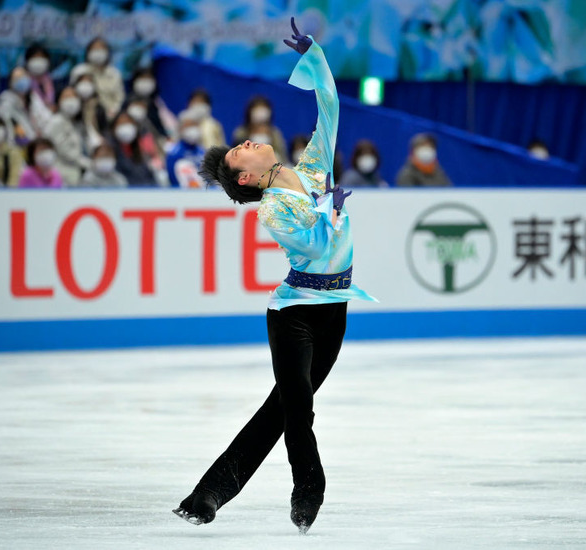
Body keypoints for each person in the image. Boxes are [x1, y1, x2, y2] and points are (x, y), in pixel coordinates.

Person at [174, 18, 375, 535]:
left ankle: (207, 495)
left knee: (279, 411)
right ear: (248, 177)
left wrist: (316, 58)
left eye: (240, 142)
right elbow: (311, 242)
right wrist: (329, 209)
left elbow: (328, 108)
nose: (247, 142)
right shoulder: (272, 210)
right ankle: (309, 488)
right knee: (298, 409)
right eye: (241, 150)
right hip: (293, 316)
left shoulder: (310, 171)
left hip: (334, 311)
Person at [43, 86, 89, 186]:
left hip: (76, 171)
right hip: (62, 172)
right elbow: (65, 151)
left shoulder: (77, 123)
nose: (71, 100)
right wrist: (88, 164)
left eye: (74, 96)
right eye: (66, 97)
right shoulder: (56, 122)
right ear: (59, 102)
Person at [70, 38, 124, 121]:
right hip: (83, 117)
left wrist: (113, 112)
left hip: (109, 117)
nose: (98, 52)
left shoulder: (114, 73)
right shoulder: (79, 71)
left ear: (107, 52)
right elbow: (71, 95)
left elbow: (119, 98)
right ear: (88, 52)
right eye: (95, 49)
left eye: (101, 49)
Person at [0, 66, 50, 146]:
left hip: (39, 143)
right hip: (19, 146)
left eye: (23, 76)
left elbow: (46, 118)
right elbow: (9, 130)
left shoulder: (33, 97)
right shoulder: (6, 103)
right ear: (11, 83)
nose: (21, 80)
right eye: (17, 78)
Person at [110, 110, 161, 187]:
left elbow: (148, 174)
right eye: (122, 123)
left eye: (128, 123)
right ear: (114, 127)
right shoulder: (110, 148)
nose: (125, 127)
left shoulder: (141, 147)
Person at [232, 95, 288, 162]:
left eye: (263, 108)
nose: (260, 112)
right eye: (257, 108)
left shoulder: (275, 133)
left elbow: (283, 157)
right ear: (250, 112)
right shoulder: (241, 132)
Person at [130, 67, 178, 143]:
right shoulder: (129, 101)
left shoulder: (157, 102)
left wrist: (167, 137)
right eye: (142, 78)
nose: (146, 82)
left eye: (149, 78)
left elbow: (163, 125)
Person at [165, 108, 206, 188]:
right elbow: (174, 182)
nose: (193, 129)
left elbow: (208, 178)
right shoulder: (174, 153)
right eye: (189, 125)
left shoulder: (202, 151)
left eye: (195, 125)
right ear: (180, 129)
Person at [24, 43, 56, 110]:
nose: (38, 60)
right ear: (28, 60)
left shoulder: (52, 82)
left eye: (41, 57)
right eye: (35, 57)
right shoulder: (24, 81)